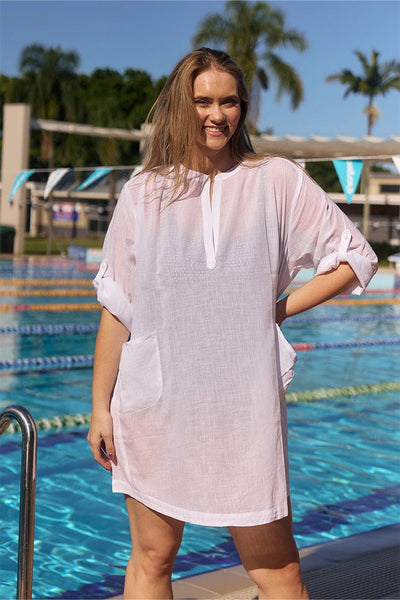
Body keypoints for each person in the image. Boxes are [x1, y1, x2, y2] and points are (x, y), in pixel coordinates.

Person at [87, 47, 378, 600]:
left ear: (242, 109)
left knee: (279, 572)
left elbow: (355, 257)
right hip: (156, 405)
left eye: (228, 101)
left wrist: (279, 308)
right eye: (201, 101)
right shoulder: (144, 193)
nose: (215, 114)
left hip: (244, 412)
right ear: (180, 106)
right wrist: (100, 406)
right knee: (153, 557)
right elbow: (117, 306)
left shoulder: (276, 181)